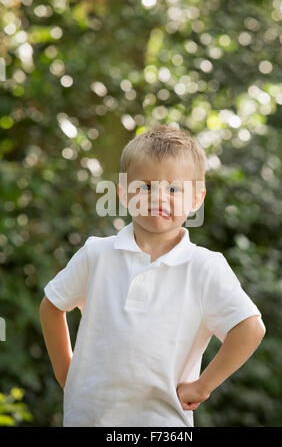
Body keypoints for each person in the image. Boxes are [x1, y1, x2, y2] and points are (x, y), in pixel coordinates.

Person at [39, 124, 266, 427]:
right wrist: (65, 371)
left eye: (173, 189)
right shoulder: (97, 255)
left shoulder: (204, 267)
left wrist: (203, 385)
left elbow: (250, 328)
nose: (158, 197)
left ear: (196, 199)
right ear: (123, 192)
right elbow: (52, 305)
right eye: (145, 186)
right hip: (87, 419)